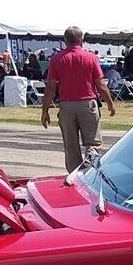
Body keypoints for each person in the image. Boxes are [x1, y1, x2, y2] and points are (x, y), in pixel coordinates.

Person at [42, 25, 115, 172]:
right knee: (93, 143)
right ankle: (90, 171)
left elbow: (51, 88)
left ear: (65, 40)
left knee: (71, 145)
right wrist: (110, 103)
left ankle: (75, 175)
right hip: (88, 103)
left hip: (66, 105)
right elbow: (100, 84)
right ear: (82, 40)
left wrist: (45, 110)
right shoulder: (91, 57)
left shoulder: (56, 59)